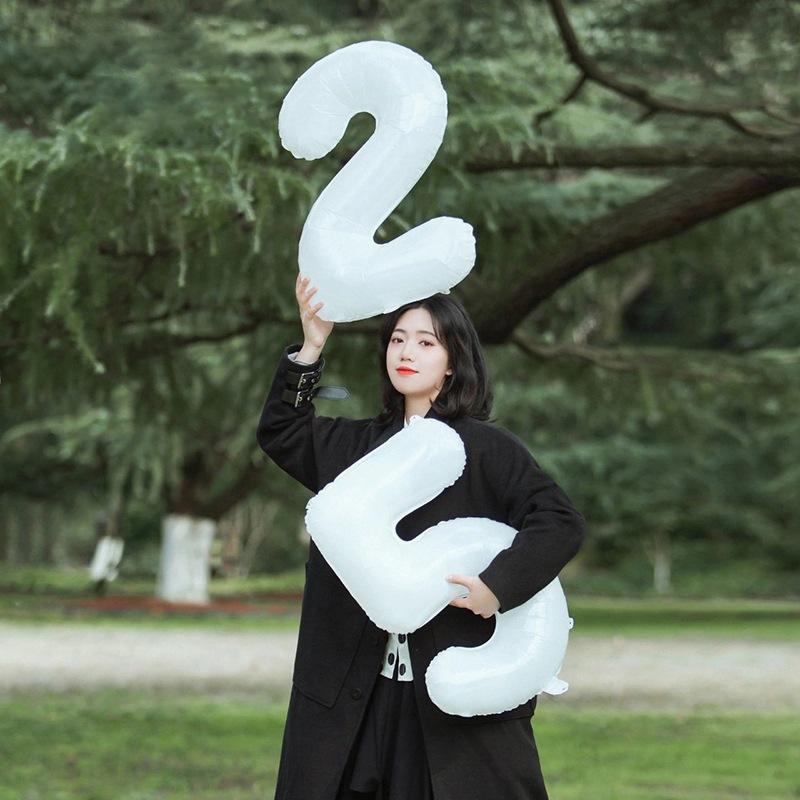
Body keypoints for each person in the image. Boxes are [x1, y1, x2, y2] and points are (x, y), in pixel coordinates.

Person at [256, 274, 587, 800]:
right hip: (350, 699)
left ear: (453, 361)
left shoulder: (487, 450)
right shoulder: (357, 448)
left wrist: (496, 587)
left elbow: (559, 521)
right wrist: (312, 345)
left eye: (426, 342)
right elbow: (283, 431)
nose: (406, 352)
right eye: (397, 339)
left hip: (446, 703)